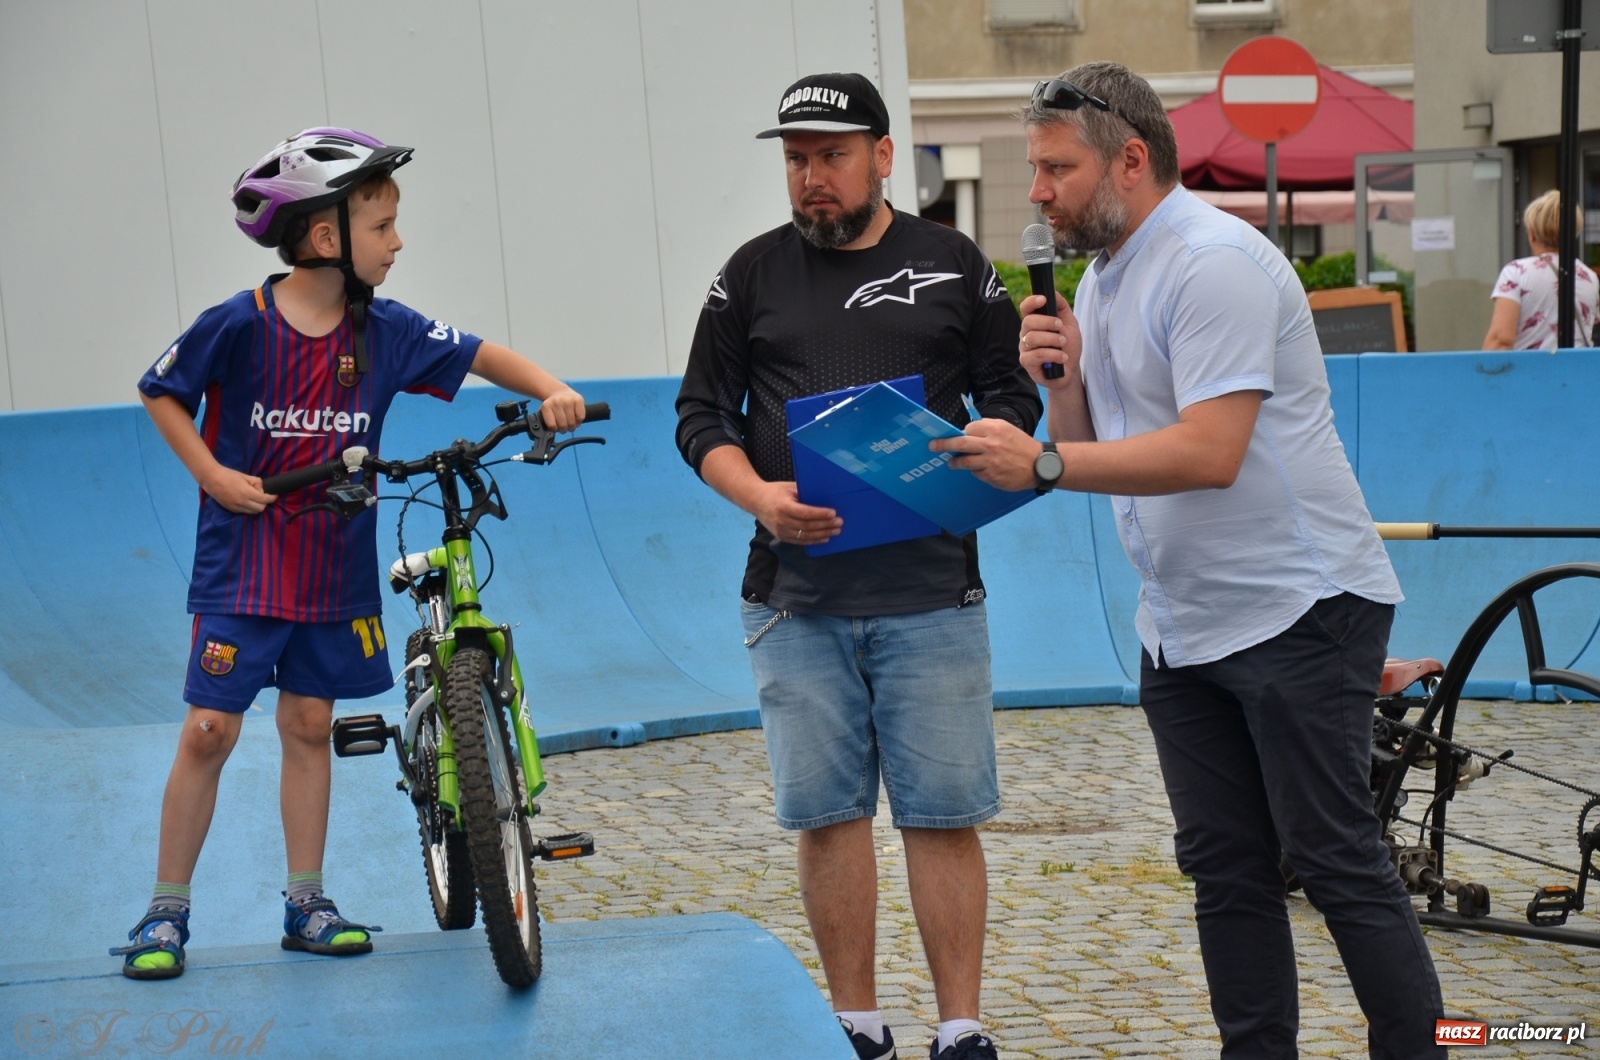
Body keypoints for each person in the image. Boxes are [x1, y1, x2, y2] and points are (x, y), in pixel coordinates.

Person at [932, 63, 1448, 1058]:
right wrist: (1064, 382)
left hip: (1298, 605)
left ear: (1130, 158)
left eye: (1054, 169)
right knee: (1224, 867)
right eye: (1033, 170)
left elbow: (1208, 454)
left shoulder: (1215, 262)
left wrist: (1041, 458)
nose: (1035, 193)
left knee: (1332, 856)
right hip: (1180, 620)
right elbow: (1100, 446)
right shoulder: (1113, 273)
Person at [113, 128, 586, 979]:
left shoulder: (389, 332)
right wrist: (214, 473)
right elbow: (161, 391)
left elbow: (479, 353)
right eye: (383, 227)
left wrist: (551, 389)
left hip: (331, 571)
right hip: (242, 566)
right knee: (210, 729)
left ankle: (307, 902)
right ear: (326, 237)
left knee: (308, 724)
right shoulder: (238, 324)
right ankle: (164, 912)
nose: (397, 243)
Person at [674, 73, 1040, 1060]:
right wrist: (760, 497)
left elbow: (1011, 400)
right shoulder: (748, 274)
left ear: (883, 155)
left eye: (829, 156)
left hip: (932, 592)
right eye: (795, 159)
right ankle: (856, 1021)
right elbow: (699, 415)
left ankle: (959, 1025)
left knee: (943, 813)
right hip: (795, 602)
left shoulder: (955, 263)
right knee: (828, 816)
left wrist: (976, 446)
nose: (810, 178)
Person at [1482, 189, 1598, 350]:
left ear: (1532, 234)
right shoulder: (1589, 276)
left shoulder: (1517, 272)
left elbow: (1501, 340)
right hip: (1577, 372)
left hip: (1531, 372)